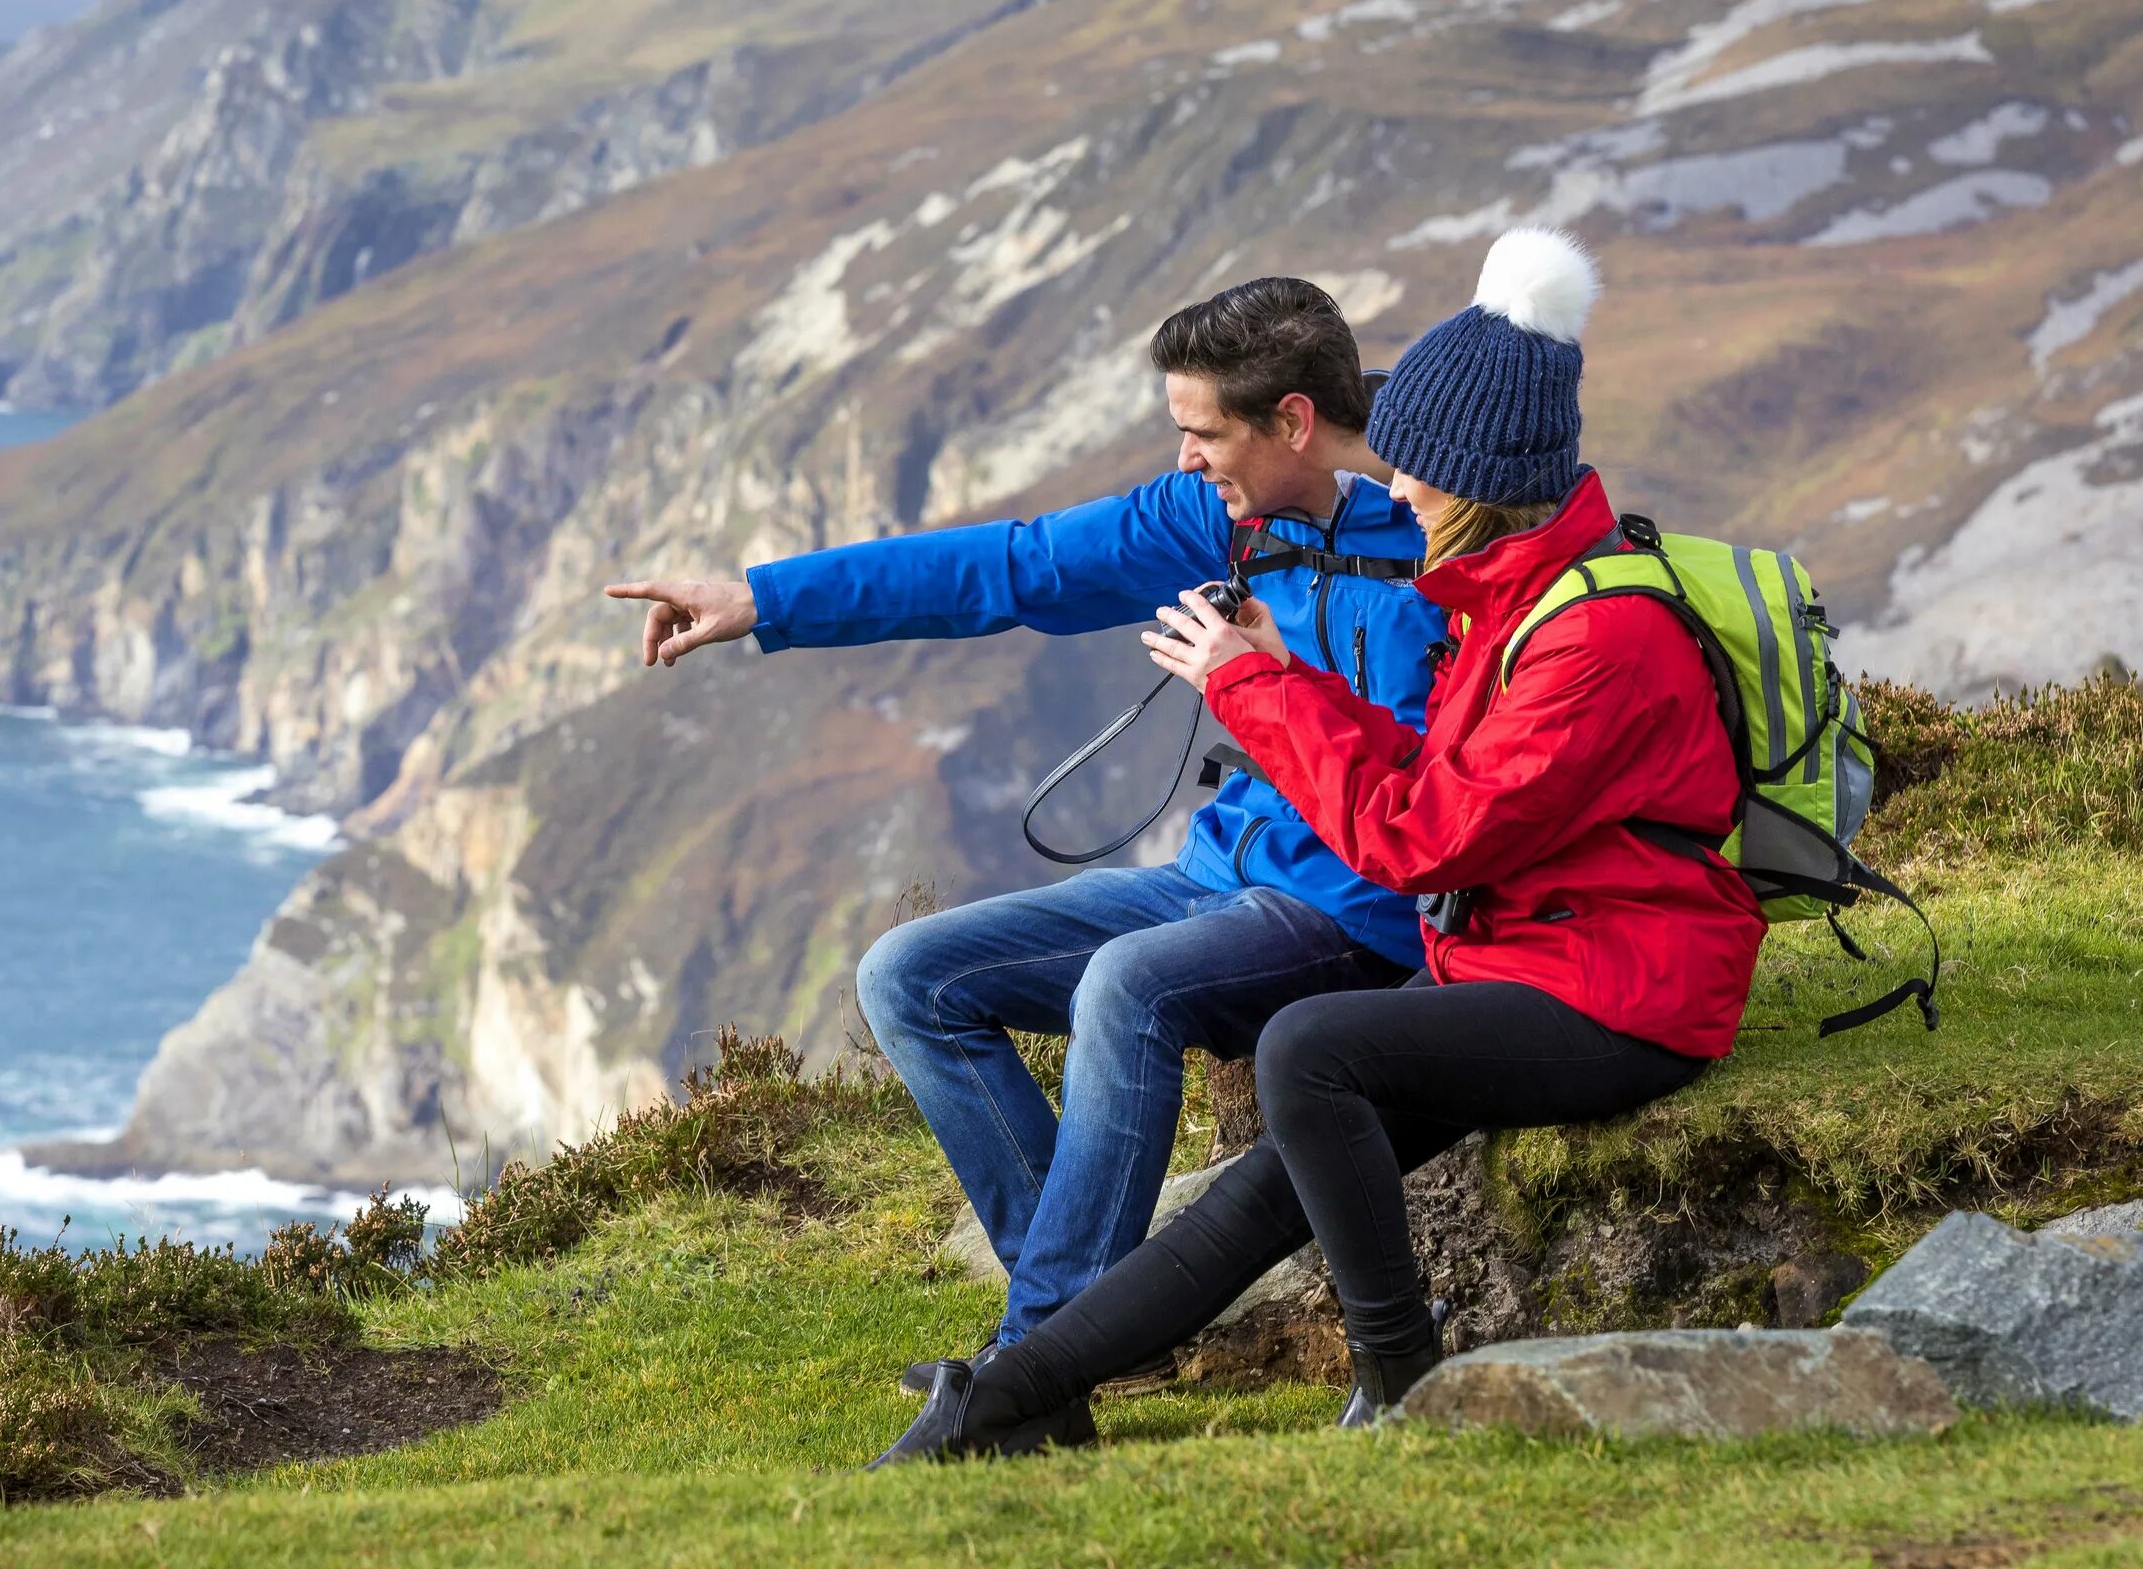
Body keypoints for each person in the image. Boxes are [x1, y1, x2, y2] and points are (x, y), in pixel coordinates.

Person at [870, 225, 1767, 1466]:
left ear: (1476, 481)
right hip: (1520, 961)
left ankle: (1395, 1367)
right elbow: (1429, 782)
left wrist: (1253, 688)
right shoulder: (1511, 599)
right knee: (1246, 1194)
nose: (1395, 490)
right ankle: (1013, 1395)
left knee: (1305, 1046)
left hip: (1617, 986)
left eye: (1419, 475)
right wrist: (1295, 676)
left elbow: (1422, 836)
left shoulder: (1593, 638)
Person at [604, 278, 1448, 1401]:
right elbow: (1013, 566)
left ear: (1290, 419)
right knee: (908, 975)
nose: (1187, 458)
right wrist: (762, 598)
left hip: (1354, 906)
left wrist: (1272, 680)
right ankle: (1111, 1320)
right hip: (1223, 871)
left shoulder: (1448, 527)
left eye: (1202, 431)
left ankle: (1036, 1364)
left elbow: (1439, 790)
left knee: (1126, 988)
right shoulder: (1221, 515)